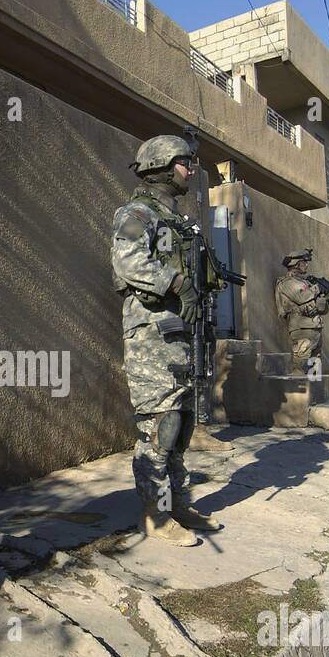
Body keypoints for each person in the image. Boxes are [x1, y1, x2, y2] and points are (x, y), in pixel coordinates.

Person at [110, 134, 223, 547]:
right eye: (183, 163)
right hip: (152, 336)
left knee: (184, 422)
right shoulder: (137, 213)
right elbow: (127, 262)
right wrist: (177, 282)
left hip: (183, 333)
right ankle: (155, 515)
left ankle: (176, 502)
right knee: (162, 422)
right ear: (158, 167)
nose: (190, 170)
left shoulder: (179, 221)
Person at [274, 249, 329, 374]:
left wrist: (324, 303)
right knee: (302, 362)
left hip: (314, 326)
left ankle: (314, 391)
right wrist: (318, 288)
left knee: (315, 364)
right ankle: (300, 391)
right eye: (304, 262)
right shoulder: (287, 282)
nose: (306, 265)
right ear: (296, 264)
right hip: (301, 327)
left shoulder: (306, 282)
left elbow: (321, 307)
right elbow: (302, 297)